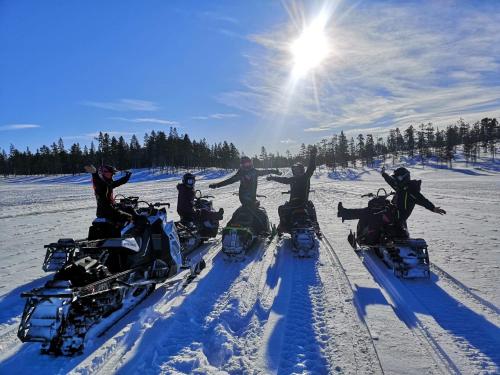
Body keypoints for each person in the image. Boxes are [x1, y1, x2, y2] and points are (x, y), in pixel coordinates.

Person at [338, 166, 446, 240]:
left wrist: (433, 208)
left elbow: (423, 200)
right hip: (394, 213)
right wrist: (384, 174)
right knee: (376, 208)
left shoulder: (411, 191)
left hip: (396, 217)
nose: (396, 180)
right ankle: (346, 214)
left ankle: (362, 235)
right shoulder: (401, 187)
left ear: (403, 178)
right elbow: (391, 182)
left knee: (369, 212)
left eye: (398, 178)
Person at [209, 156, 281, 234]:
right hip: (245, 198)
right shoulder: (241, 173)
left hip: (250, 197)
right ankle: (265, 230)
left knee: (253, 211)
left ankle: (261, 228)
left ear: (251, 163)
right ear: (242, 165)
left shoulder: (254, 171)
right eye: (245, 164)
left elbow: (266, 171)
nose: (247, 165)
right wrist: (217, 185)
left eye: (248, 163)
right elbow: (230, 181)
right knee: (257, 212)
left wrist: (274, 171)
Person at [266, 147, 319, 234]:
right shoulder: (304, 177)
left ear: (301, 170)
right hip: (303, 203)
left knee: (281, 209)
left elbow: (311, 168)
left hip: (294, 204)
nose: (296, 171)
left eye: (298, 170)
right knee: (310, 207)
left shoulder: (302, 177)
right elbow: (283, 179)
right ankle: (315, 224)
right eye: (295, 170)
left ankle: (283, 225)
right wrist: (272, 177)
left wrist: (313, 156)